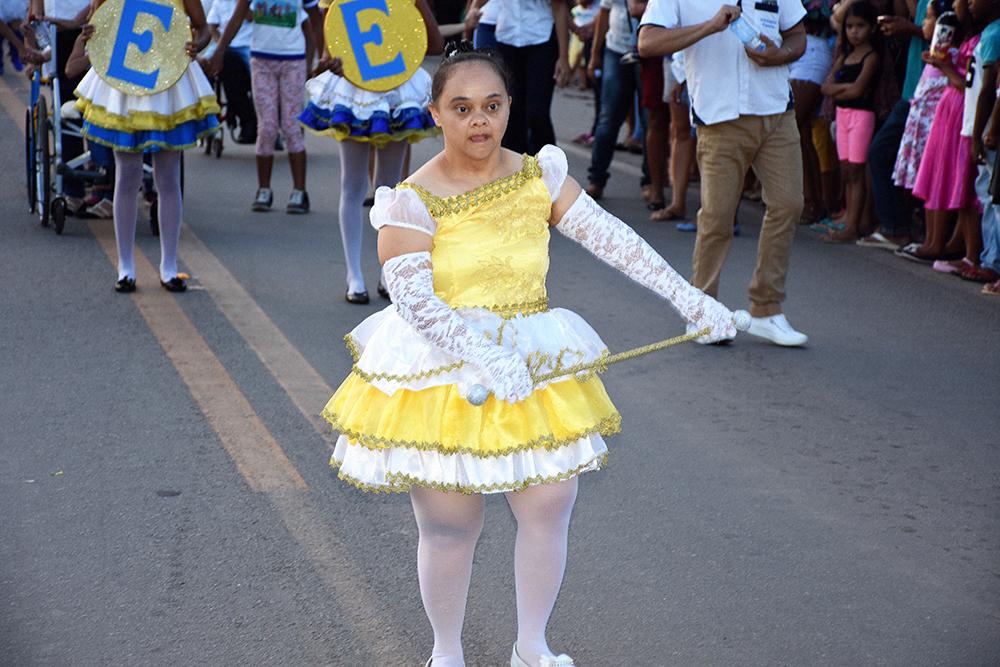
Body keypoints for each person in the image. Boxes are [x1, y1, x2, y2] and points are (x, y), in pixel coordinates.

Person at [321, 46, 737, 667]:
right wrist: (480, 353)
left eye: (492, 106)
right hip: (444, 370)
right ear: (436, 112)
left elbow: (613, 239)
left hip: (534, 359)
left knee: (548, 507)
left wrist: (688, 297)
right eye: (462, 108)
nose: (479, 121)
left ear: (510, 107)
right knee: (451, 526)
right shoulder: (409, 199)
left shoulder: (537, 175)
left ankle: (532, 647)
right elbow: (411, 298)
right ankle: (447, 653)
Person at [638, 0, 810, 347]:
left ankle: (766, 309)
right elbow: (647, 43)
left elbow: (798, 35)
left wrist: (779, 55)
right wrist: (709, 27)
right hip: (719, 116)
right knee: (717, 217)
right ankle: (703, 313)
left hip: (776, 109)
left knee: (788, 204)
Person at [296, 0, 442, 304]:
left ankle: (386, 272)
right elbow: (328, 52)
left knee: (389, 189)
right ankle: (354, 275)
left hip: (395, 89)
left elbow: (434, 44)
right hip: (354, 91)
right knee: (353, 184)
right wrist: (331, 62)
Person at [74, 0, 220, 293]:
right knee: (127, 174)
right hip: (125, 78)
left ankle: (169, 266)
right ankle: (125, 267)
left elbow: (203, 28)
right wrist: (89, 32)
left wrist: (196, 44)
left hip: (168, 80)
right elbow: (95, 22)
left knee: (167, 176)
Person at [209, 0, 321, 214]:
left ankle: (299, 191)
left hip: (293, 61)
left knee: (291, 127)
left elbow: (314, 22)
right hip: (261, 60)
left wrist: (315, 61)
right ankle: (264, 189)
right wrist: (220, 50)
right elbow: (237, 17)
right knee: (267, 127)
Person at [900, 0, 979, 265]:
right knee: (934, 175)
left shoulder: (976, 43)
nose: (961, 3)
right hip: (947, 111)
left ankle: (950, 247)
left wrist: (944, 66)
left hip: (958, 113)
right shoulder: (968, 41)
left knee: (950, 178)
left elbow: (965, 84)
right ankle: (932, 241)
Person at [858, 0, 929, 248]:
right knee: (884, 153)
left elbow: (950, 36)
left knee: (888, 153)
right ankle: (898, 226)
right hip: (912, 91)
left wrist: (910, 29)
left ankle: (903, 227)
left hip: (930, 94)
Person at [820, 0, 880, 243]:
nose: (854, 31)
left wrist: (840, 89)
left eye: (861, 26)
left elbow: (858, 90)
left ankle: (853, 226)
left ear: (872, 29)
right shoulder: (845, 55)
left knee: (856, 171)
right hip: (843, 116)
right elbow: (826, 86)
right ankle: (850, 220)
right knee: (847, 171)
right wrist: (845, 88)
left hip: (861, 117)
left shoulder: (871, 56)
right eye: (850, 26)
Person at [585, 0, 645, 200]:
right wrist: (594, 54)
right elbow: (604, 11)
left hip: (650, 50)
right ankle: (596, 180)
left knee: (649, 120)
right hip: (616, 48)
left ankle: (651, 182)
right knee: (608, 118)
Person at [494, 0, 572, 154]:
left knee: (537, 113)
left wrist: (563, 57)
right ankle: (513, 170)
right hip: (507, 37)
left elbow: (559, 7)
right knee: (511, 111)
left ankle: (548, 168)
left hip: (541, 38)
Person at [203, 0, 256, 144]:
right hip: (224, 44)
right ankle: (205, 110)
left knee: (257, 74)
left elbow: (251, 16)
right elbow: (212, 26)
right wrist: (221, 43)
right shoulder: (219, 2)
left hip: (246, 44)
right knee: (202, 66)